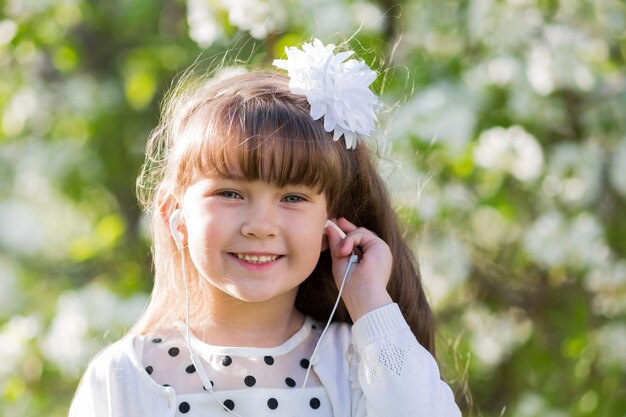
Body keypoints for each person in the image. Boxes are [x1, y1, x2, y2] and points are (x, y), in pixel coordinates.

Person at [69, 39, 461, 417]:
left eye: (292, 198)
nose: (260, 227)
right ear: (176, 213)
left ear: (330, 225)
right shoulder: (124, 377)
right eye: (230, 193)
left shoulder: (358, 361)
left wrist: (370, 300)